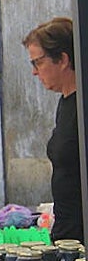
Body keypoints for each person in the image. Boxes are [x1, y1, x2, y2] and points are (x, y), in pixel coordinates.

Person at [25, 17, 81, 241]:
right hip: (67, 231)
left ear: (63, 59)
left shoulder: (80, 106)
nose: (34, 72)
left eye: (38, 63)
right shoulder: (65, 103)